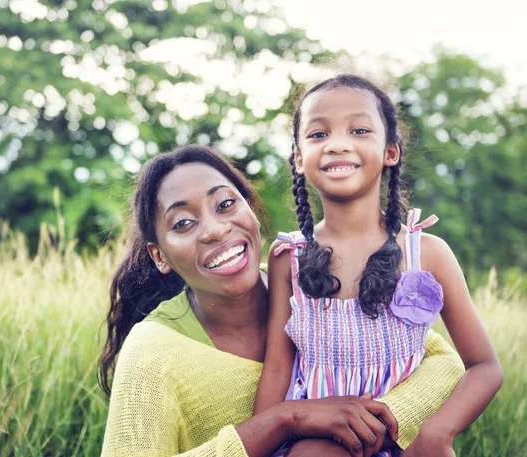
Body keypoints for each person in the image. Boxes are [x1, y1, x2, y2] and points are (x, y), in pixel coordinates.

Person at [99, 145, 466, 457]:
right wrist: (284, 420)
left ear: (251, 209)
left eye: (226, 204)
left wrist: (369, 427)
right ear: (159, 255)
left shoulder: (309, 284)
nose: (214, 229)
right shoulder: (152, 353)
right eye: (182, 223)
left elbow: (443, 360)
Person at [254, 74, 503, 457]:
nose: (338, 144)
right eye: (319, 135)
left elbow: (485, 366)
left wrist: (438, 432)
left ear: (390, 151)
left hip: (406, 440)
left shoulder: (428, 253)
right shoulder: (289, 258)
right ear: (299, 159)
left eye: (358, 130)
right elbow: (276, 370)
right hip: (316, 443)